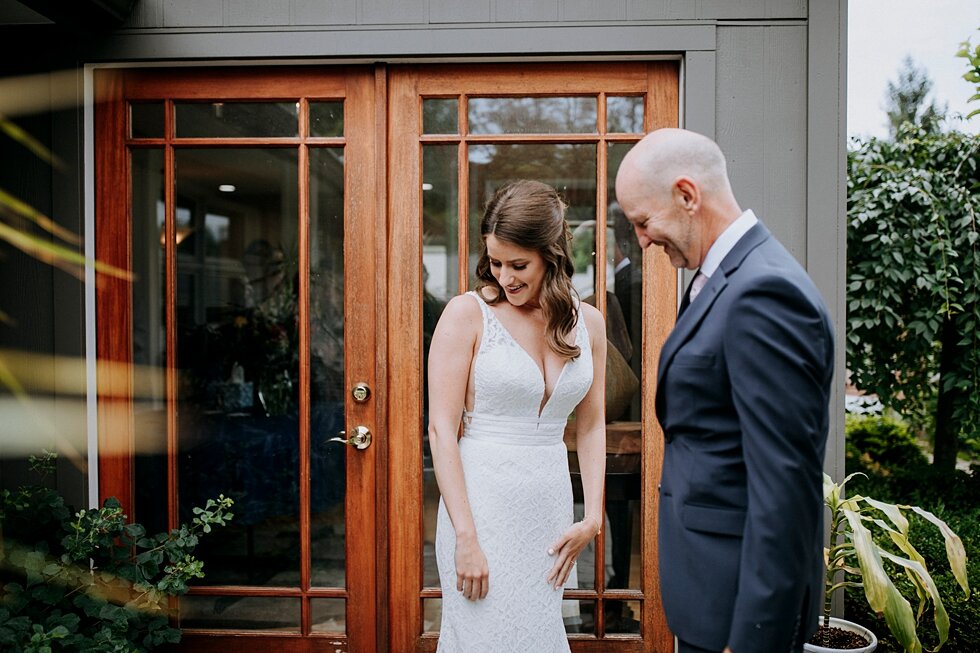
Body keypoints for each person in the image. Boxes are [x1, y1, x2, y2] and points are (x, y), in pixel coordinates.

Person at [615, 129, 834, 653]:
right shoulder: (721, 279)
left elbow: (785, 487)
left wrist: (754, 638)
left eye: (643, 222)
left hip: (739, 615)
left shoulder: (764, 292)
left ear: (687, 196)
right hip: (711, 599)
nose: (642, 240)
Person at [427, 180, 607, 652]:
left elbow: (590, 426)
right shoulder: (466, 315)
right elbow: (441, 430)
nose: (505, 277)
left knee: (536, 637)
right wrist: (465, 537)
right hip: (481, 512)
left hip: (547, 509)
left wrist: (592, 516)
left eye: (518, 264)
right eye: (496, 263)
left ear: (552, 254)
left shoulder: (588, 324)